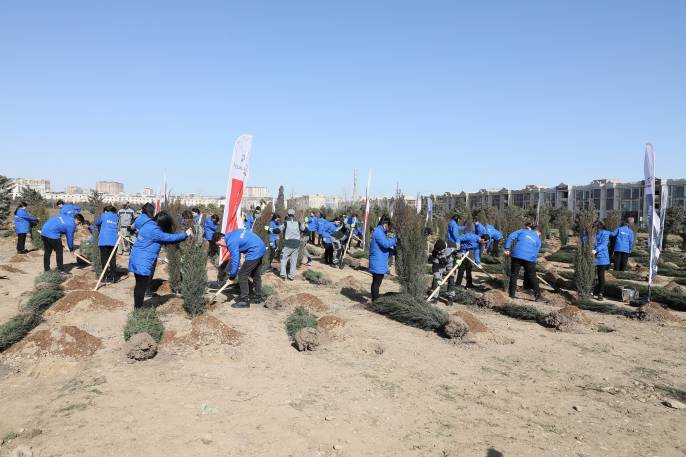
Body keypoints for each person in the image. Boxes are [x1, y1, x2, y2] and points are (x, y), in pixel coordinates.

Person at [129, 204, 191, 308]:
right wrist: (185, 234)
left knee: (139, 284)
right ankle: (138, 309)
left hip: (136, 257)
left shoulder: (148, 224)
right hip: (143, 260)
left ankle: (138, 307)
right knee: (141, 286)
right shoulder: (155, 231)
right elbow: (169, 237)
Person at [218, 228, 267, 308]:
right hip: (261, 246)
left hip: (254, 251)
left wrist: (232, 277)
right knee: (256, 274)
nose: (220, 246)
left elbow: (235, 261)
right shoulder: (233, 234)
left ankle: (244, 301)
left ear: (222, 238)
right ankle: (257, 297)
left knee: (242, 274)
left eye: (219, 244)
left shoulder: (231, 242)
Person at [504, 223, 543, 301]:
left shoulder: (522, 231)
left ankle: (511, 295)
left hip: (516, 255)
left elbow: (511, 236)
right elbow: (536, 252)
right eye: (539, 234)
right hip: (529, 258)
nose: (539, 235)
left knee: (514, 275)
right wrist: (533, 262)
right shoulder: (538, 240)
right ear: (538, 231)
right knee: (532, 276)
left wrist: (507, 248)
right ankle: (538, 296)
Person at [368, 216, 399, 301]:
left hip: (379, 260)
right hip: (377, 260)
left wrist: (392, 251)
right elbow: (385, 244)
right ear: (385, 224)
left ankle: (375, 299)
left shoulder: (381, 232)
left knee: (377, 281)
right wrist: (396, 239)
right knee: (376, 282)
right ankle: (375, 300)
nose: (389, 229)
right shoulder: (378, 232)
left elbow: (383, 246)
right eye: (389, 226)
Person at [95, 205, 120, 283]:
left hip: (104, 240)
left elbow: (97, 222)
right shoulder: (117, 217)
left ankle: (104, 277)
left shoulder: (104, 215)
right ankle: (113, 278)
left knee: (104, 259)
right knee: (112, 259)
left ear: (106, 210)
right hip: (114, 241)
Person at [280, 209, 305, 280]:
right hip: (296, 244)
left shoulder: (285, 223)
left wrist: (269, 229)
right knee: (293, 261)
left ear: (287, 214)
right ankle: (291, 276)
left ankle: (283, 274)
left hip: (287, 244)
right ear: (294, 215)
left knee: (283, 259)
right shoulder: (298, 223)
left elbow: (278, 230)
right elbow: (305, 230)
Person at [593, 221, 611, 301]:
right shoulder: (593, 233)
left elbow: (604, 244)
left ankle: (600, 293)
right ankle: (592, 291)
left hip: (602, 257)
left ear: (599, 227)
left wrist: (596, 250)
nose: (595, 229)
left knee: (601, 275)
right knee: (592, 274)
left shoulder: (605, 233)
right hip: (593, 257)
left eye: (596, 228)